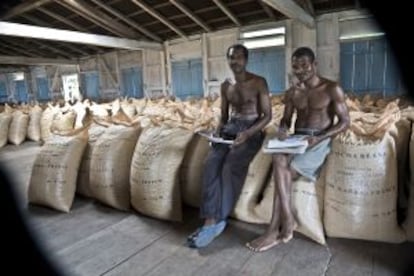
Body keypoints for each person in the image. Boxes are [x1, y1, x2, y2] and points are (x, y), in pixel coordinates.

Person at [246, 47, 350, 252]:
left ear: (314, 64)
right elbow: (286, 120)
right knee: (278, 159)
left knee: (281, 173)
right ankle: (288, 218)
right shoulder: (292, 92)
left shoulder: (331, 88)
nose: (300, 70)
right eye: (295, 66)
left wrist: (318, 137)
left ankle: (273, 230)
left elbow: (345, 122)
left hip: (318, 140)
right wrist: (283, 130)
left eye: (304, 65)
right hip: (296, 139)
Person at [187, 44, 272, 248]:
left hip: (251, 130)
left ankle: (217, 220)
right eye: (231, 58)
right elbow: (224, 116)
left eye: (239, 57)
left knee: (229, 166)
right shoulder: (226, 86)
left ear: (246, 59)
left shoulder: (259, 82)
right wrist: (217, 131)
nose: (235, 62)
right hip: (230, 129)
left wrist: (248, 133)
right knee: (210, 164)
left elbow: (267, 116)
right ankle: (210, 222)